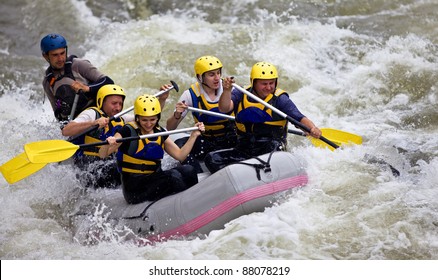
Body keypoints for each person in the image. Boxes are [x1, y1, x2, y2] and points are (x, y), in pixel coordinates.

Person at [204, 61, 322, 173]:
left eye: (271, 83)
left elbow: (299, 118)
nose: (268, 87)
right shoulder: (241, 93)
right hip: (244, 148)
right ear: (253, 82)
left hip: (271, 150)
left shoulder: (280, 99)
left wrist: (312, 128)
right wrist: (227, 91)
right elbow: (224, 108)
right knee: (212, 158)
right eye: (264, 84)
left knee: (270, 153)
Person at [99, 94, 205, 204]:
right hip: (135, 187)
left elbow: (180, 155)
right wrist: (108, 143)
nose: (149, 124)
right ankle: (188, 203)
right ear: (137, 118)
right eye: (144, 120)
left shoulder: (159, 132)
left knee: (189, 170)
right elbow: (102, 154)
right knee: (173, 177)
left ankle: (195, 201)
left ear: (158, 117)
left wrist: (194, 135)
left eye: (152, 119)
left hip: (154, 178)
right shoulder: (127, 131)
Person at [62, 83, 172, 189]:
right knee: (122, 170)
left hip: (108, 161)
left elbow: (147, 119)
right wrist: (93, 123)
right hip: (88, 166)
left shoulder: (121, 118)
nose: (118, 107)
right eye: (114, 103)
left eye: (120, 104)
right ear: (102, 102)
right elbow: (66, 130)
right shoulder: (91, 113)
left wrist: (162, 99)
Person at [166, 55, 236, 172]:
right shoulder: (190, 95)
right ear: (200, 77)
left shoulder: (230, 90)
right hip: (207, 141)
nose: (217, 78)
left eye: (218, 73)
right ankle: (197, 174)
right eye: (211, 74)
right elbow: (170, 128)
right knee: (179, 144)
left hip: (230, 140)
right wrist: (177, 115)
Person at [40, 33, 114, 126]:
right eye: (55, 55)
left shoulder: (79, 65)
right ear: (46, 56)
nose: (60, 58)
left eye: (62, 53)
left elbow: (108, 81)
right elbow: (58, 114)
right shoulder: (47, 82)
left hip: (97, 115)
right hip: (78, 125)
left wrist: (87, 88)